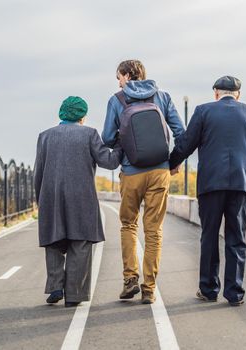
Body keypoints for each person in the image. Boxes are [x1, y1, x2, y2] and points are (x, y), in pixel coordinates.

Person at [169, 76, 246, 306]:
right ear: (238, 94)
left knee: (210, 235)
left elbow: (186, 143)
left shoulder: (203, 111)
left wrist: (172, 163)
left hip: (211, 184)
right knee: (236, 238)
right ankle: (234, 293)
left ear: (216, 93)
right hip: (241, 185)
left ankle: (209, 289)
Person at [102, 59, 185, 304]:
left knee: (128, 225)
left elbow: (107, 138)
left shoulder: (116, 100)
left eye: (118, 77)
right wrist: (173, 162)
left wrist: (124, 139)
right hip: (159, 171)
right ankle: (149, 288)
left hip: (131, 171)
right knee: (154, 230)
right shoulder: (163, 97)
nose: (118, 82)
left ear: (127, 75)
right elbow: (181, 133)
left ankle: (130, 278)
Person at [34, 96, 122, 307]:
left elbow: (38, 172)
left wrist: (40, 199)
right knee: (80, 242)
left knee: (53, 240)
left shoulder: (45, 136)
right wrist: (120, 145)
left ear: (61, 113)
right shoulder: (89, 134)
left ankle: (55, 285)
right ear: (82, 117)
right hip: (81, 197)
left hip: (51, 196)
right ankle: (74, 294)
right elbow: (108, 161)